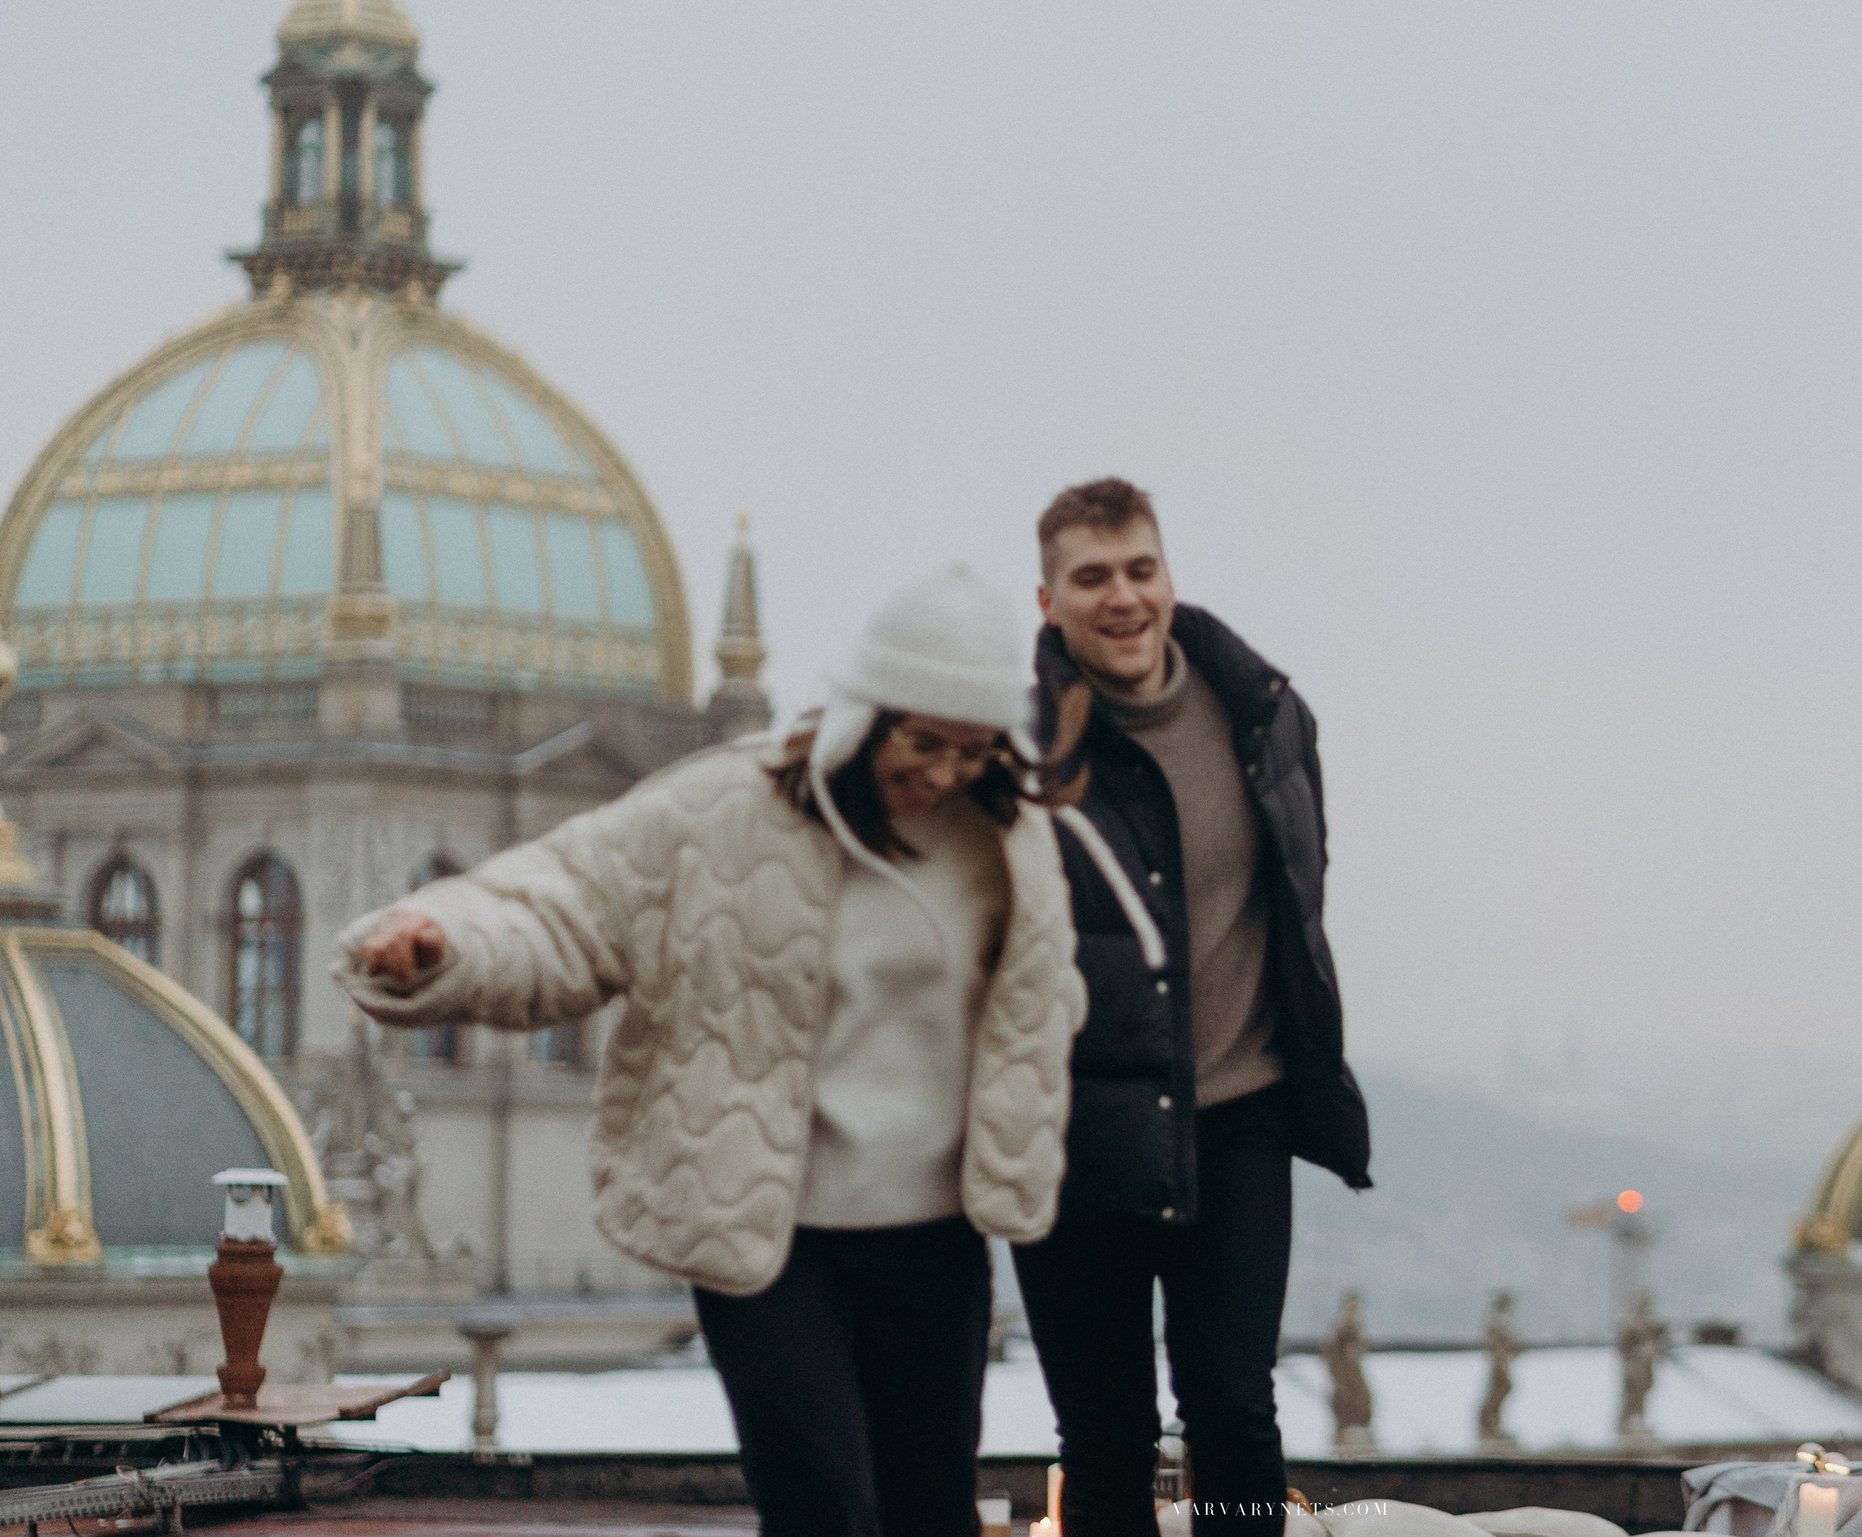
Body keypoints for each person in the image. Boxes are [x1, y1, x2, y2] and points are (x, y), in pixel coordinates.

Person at [336, 564, 1114, 1537]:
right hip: (766, 1233)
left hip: (936, 1238)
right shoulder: (722, 810)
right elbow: (564, 901)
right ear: (864, 713)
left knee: (929, 1514)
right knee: (821, 1504)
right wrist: (437, 947)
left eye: (974, 748)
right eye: (923, 741)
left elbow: (1060, 996)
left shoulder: (1012, 837)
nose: (946, 771)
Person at [1012, 478, 1371, 1536]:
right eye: (1091, 578)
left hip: (1237, 1113)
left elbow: (1295, 897)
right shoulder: (1021, 752)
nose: (1120, 597)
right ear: (1049, 601)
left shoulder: (1262, 712)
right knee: (1105, 1434)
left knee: (1231, 1407)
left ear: (1167, 577)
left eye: (1138, 569)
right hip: (1079, 1127)